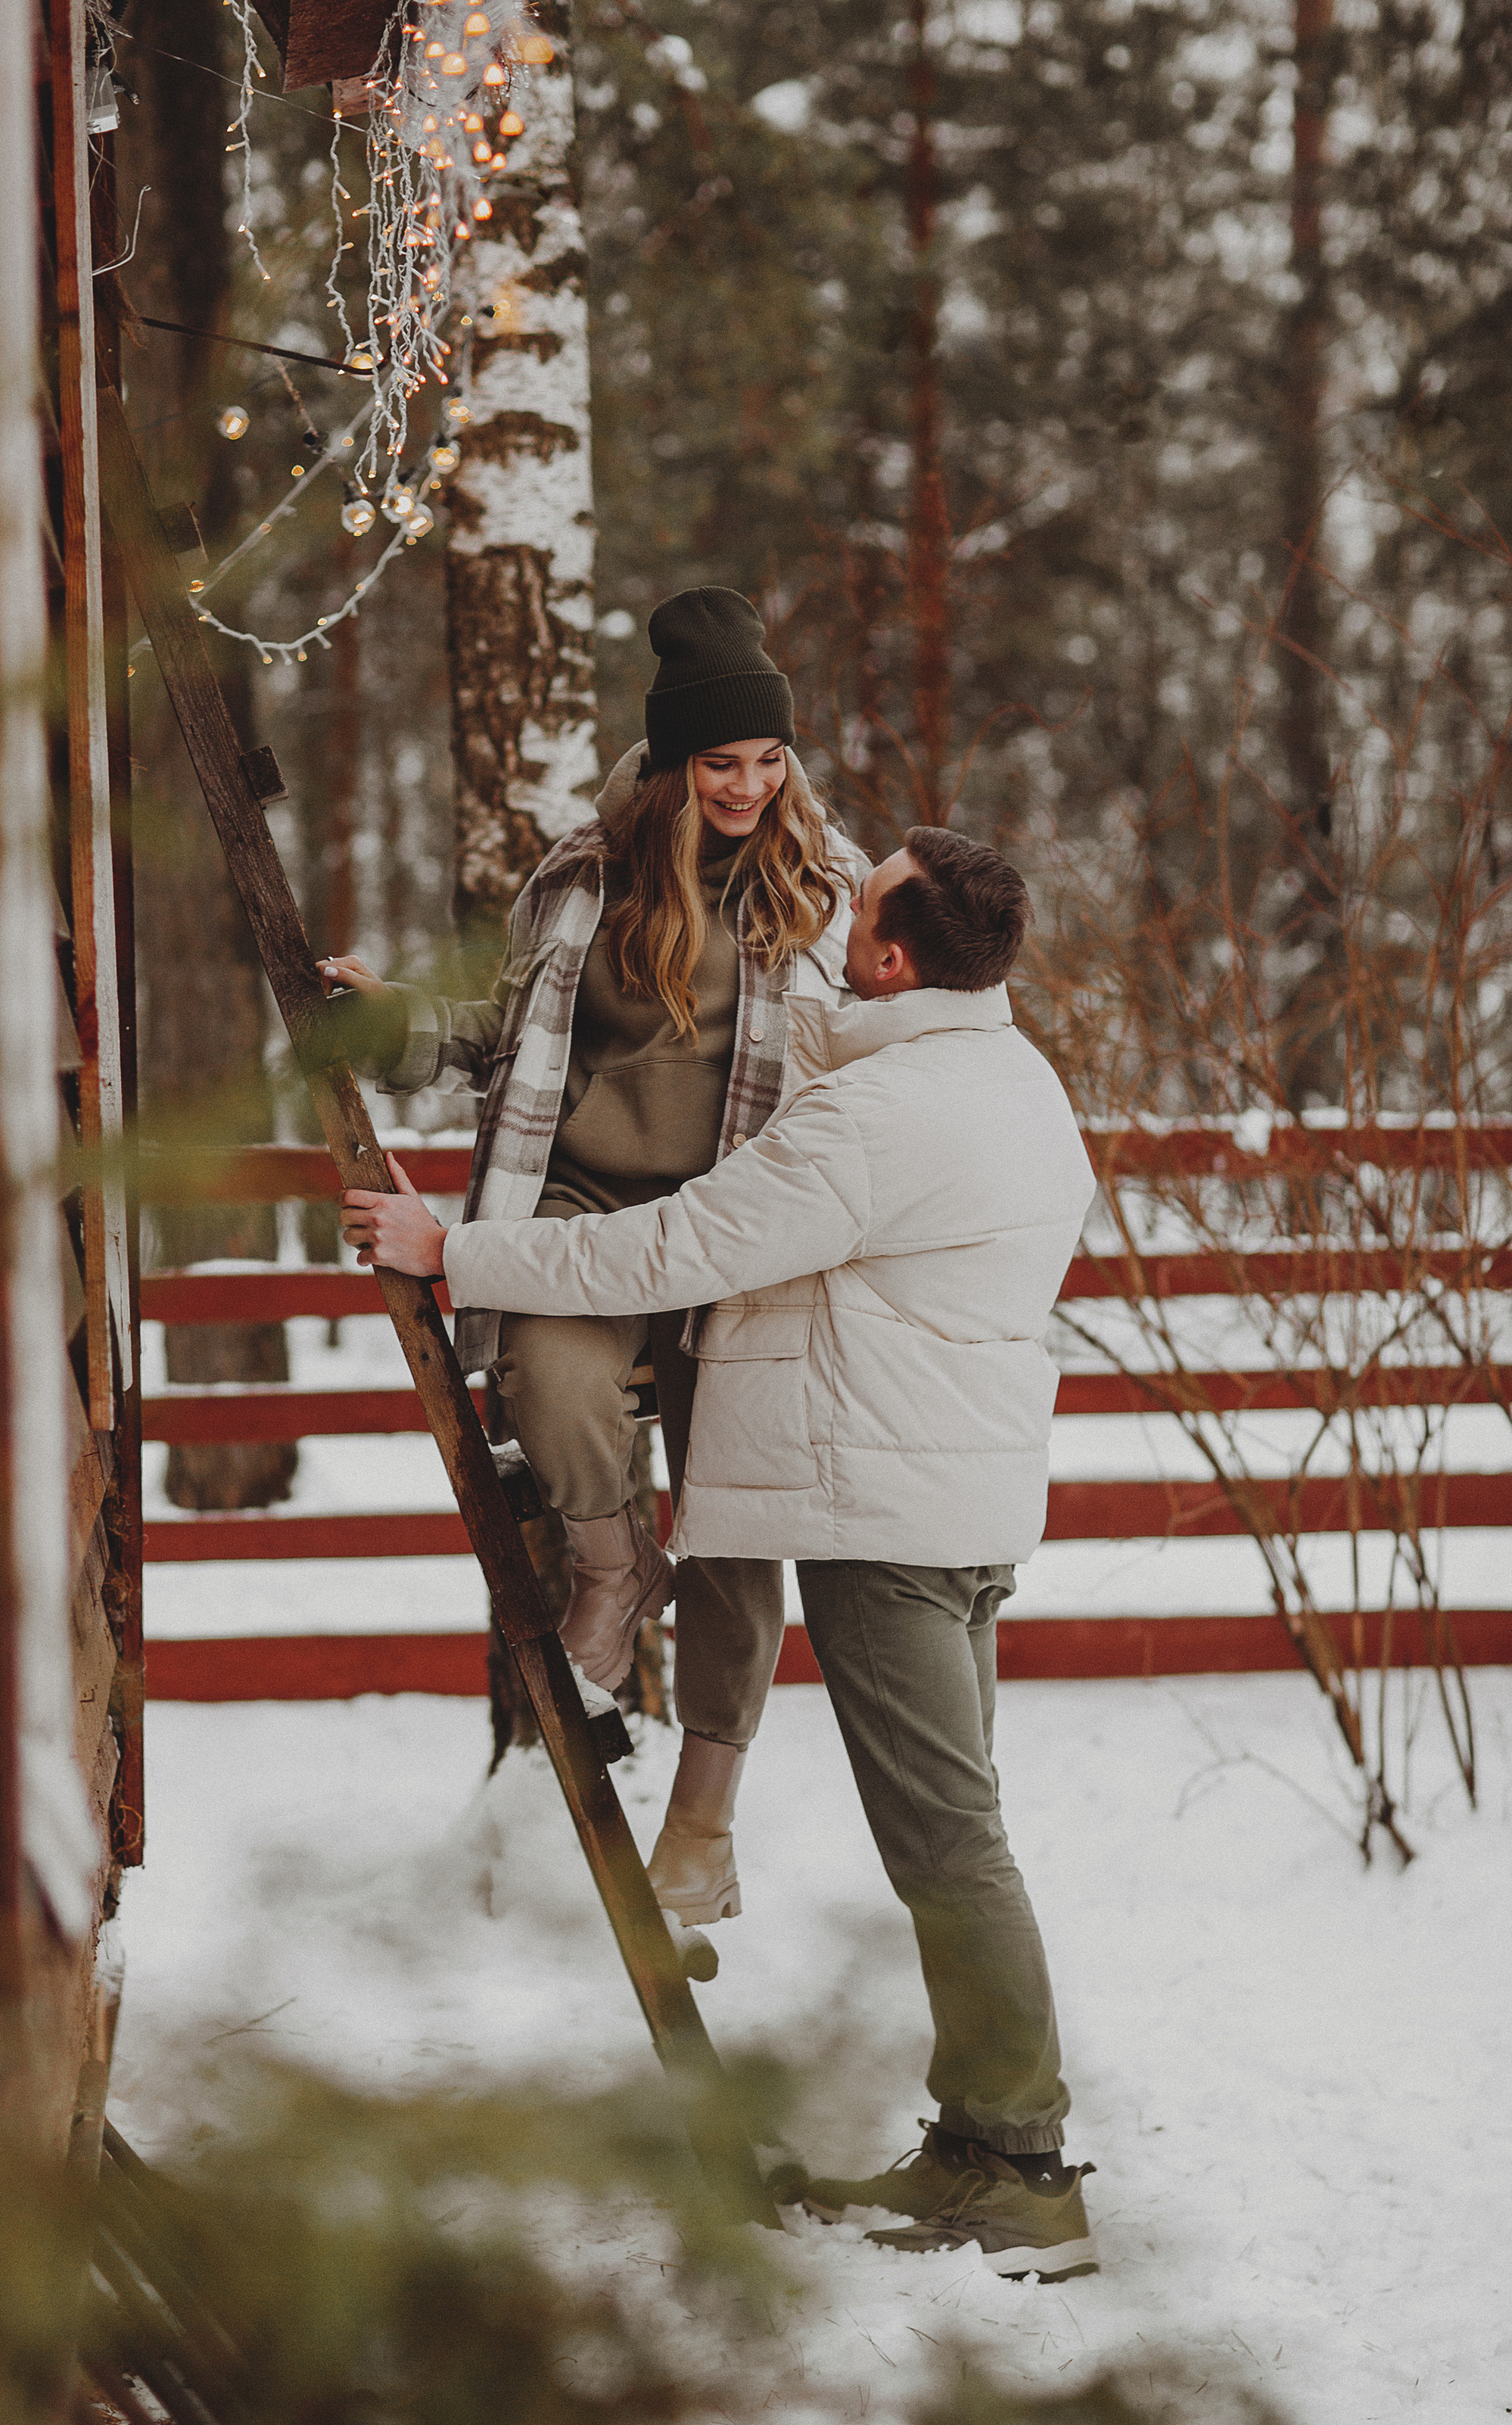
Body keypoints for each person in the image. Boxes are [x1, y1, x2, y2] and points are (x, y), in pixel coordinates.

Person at [340, 827, 1103, 2281]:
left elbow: (668, 1251)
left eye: (858, 906)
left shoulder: (872, 1121)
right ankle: (982, 2140)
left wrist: (460, 1255)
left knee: (948, 1847)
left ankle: (1018, 2162)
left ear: (890, 957)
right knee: (960, 1834)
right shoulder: (1010, 1078)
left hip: (887, 1521)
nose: (830, 912)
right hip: (965, 1501)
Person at [310, 587, 865, 1941]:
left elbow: (885, 1062)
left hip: (745, 1243)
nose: (747, 787)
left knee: (736, 1528)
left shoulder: (830, 889)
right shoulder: (583, 876)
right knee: (549, 1384)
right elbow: (508, 1039)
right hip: (579, 1219)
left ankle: (704, 1820)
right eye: (721, 763)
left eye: (768, 760)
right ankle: (614, 1571)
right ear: (671, 764)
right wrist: (388, 1024)